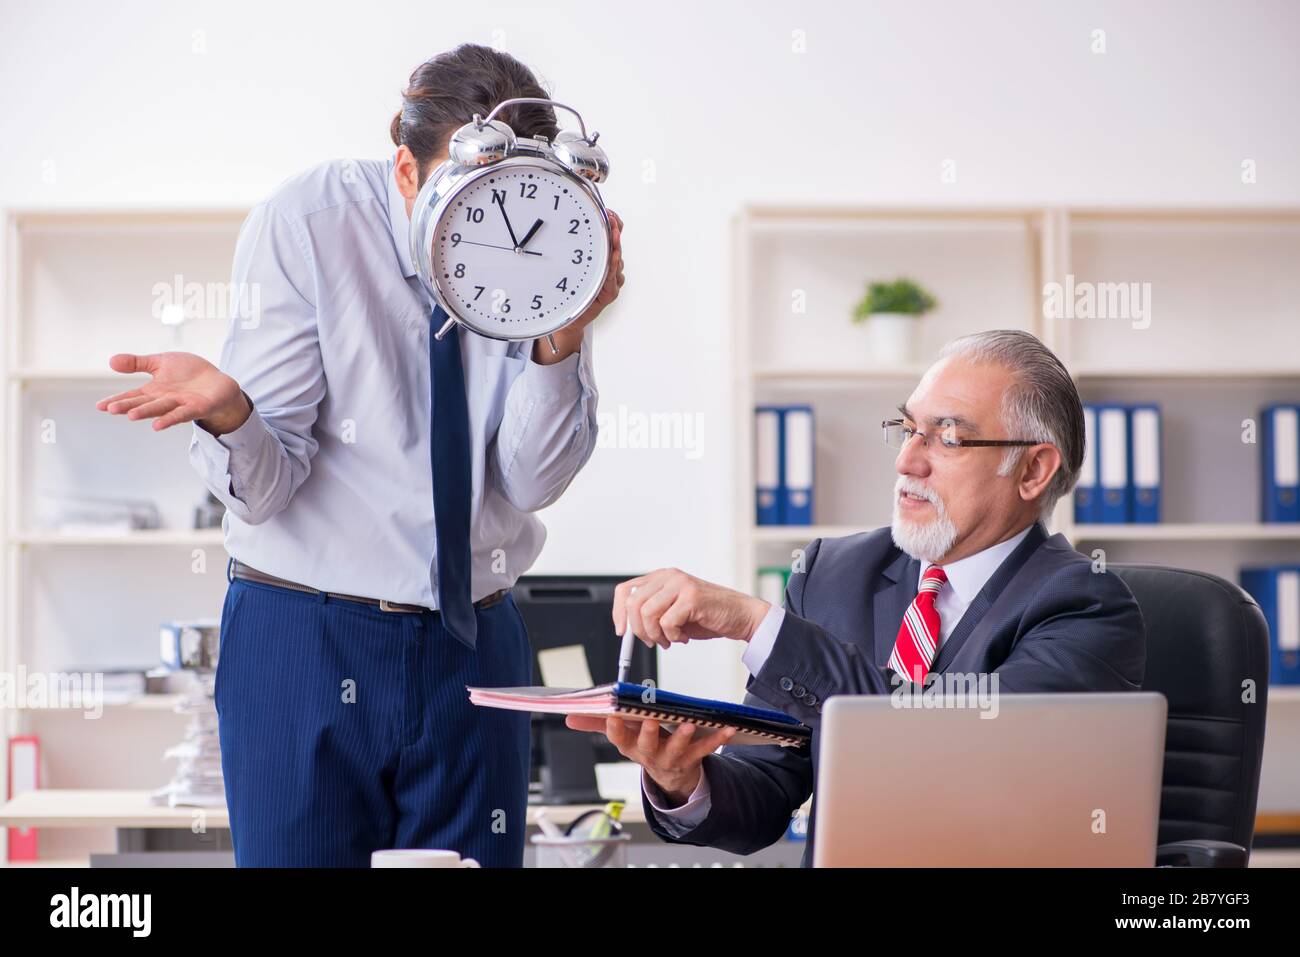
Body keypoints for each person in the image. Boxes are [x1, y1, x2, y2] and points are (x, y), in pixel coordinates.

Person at [95, 44, 625, 867]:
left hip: (475, 644)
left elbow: (531, 478)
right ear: (405, 166)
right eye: (457, 187)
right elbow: (266, 491)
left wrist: (565, 333)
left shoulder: (546, 231)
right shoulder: (307, 223)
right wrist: (233, 413)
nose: (483, 223)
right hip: (305, 638)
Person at [567, 329, 1144, 865]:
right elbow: (768, 785)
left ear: (1033, 470)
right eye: (908, 428)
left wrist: (757, 624)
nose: (907, 460)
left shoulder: (1084, 605)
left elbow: (954, 751)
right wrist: (682, 780)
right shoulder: (835, 574)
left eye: (948, 437)